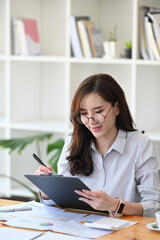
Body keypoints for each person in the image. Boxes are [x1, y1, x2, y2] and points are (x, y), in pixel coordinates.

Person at [35, 73, 160, 217]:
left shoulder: (140, 145)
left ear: (117, 108)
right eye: (84, 113)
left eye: (98, 111)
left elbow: (153, 206)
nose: (91, 120)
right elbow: (62, 204)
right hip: (79, 230)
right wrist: (48, 192)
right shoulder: (72, 143)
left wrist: (116, 205)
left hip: (122, 233)